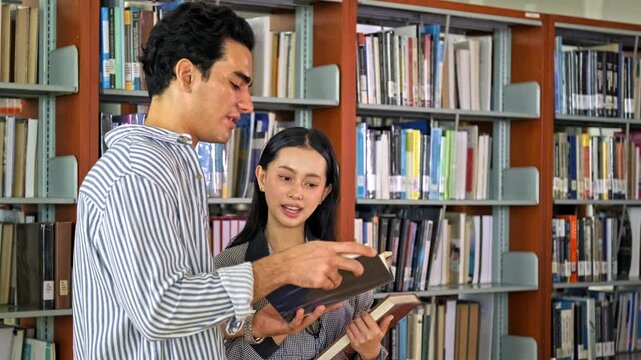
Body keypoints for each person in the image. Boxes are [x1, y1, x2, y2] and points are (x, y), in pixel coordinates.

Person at [71, 2, 376, 359]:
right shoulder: (138, 174)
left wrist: (252, 326)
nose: (247, 104)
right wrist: (286, 267)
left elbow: (175, 315)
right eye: (236, 85)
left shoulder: (176, 170)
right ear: (186, 75)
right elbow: (160, 310)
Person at [215, 127, 393, 360]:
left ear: (324, 193)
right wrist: (271, 334)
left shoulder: (349, 268)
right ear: (262, 178)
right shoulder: (227, 267)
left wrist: (371, 353)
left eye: (311, 184)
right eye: (286, 178)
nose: (296, 193)